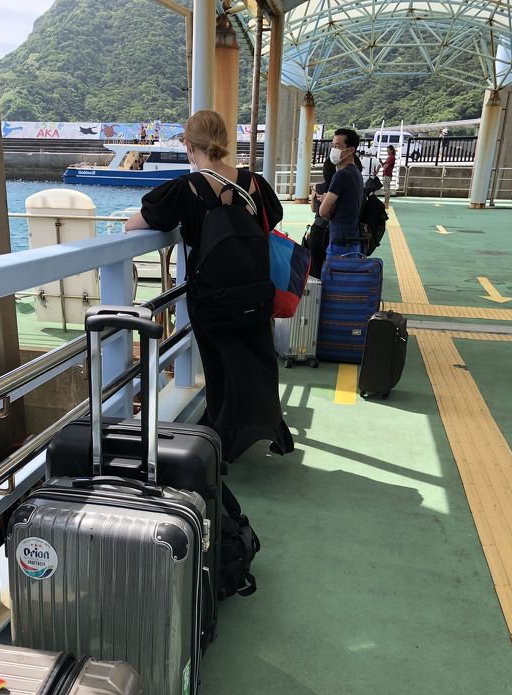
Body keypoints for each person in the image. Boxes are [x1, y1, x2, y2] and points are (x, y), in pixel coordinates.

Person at [125, 109, 294, 463]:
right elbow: (273, 217)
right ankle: (270, 427)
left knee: (221, 369)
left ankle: (224, 437)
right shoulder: (254, 183)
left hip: (212, 300)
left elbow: (136, 223)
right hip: (255, 293)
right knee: (258, 362)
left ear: (189, 145)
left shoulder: (186, 188)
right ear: (225, 141)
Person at [317, 128, 364, 257]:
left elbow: (323, 212)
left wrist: (326, 202)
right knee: (347, 276)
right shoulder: (356, 173)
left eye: (338, 146)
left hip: (340, 243)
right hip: (353, 240)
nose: (334, 150)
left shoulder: (341, 175)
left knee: (333, 276)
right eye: (333, 146)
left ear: (350, 150)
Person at [375, 143, 395, 210]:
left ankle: (386, 204)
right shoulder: (389, 157)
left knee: (386, 190)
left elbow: (385, 166)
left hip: (387, 175)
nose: (387, 151)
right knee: (386, 189)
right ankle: (386, 203)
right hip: (386, 174)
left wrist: (382, 165)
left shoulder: (391, 158)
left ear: (391, 150)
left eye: (388, 150)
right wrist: (381, 163)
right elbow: (384, 165)